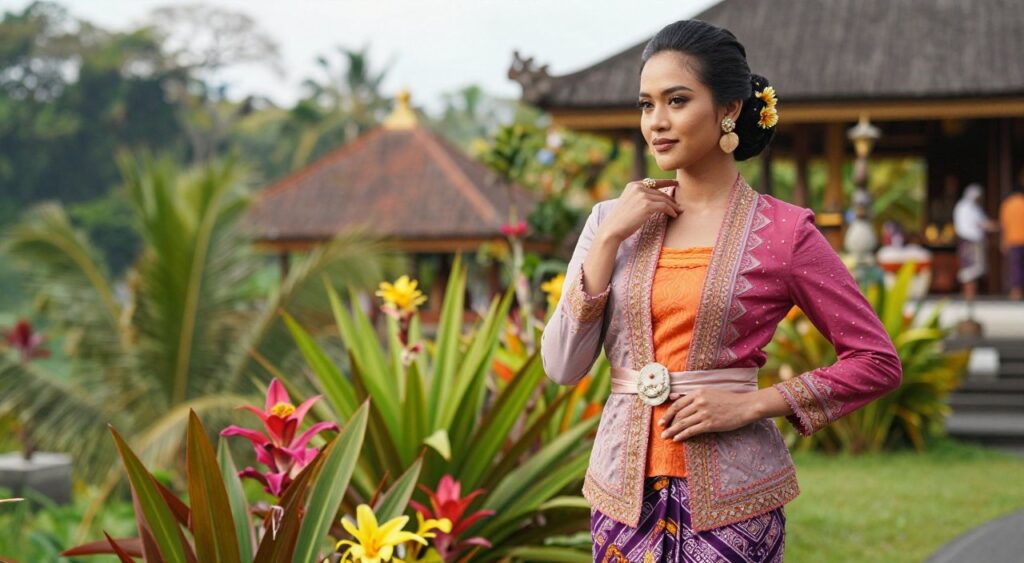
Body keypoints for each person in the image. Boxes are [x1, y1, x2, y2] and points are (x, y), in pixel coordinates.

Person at [540, 20, 902, 562]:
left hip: (734, 505)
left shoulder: (785, 232)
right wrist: (611, 236)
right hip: (622, 503)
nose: (656, 123)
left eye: (677, 101)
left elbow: (876, 360)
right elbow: (563, 366)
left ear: (728, 109)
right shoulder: (609, 222)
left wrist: (752, 405)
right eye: (646, 105)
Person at [953, 183, 998, 303]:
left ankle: (971, 296)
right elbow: (980, 223)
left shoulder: (975, 208)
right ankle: (969, 296)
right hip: (969, 242)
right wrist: (994, 226)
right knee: (969, 270)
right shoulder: (965, 207)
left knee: (975, 270)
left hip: (976, 242)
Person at [999, 169, 1024, 300]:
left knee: (1015, 267)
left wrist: (1003, 241)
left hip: (1013, 240)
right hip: (1019, 238)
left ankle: (1016, 292)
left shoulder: (1007, 204)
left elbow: (1003, 225)